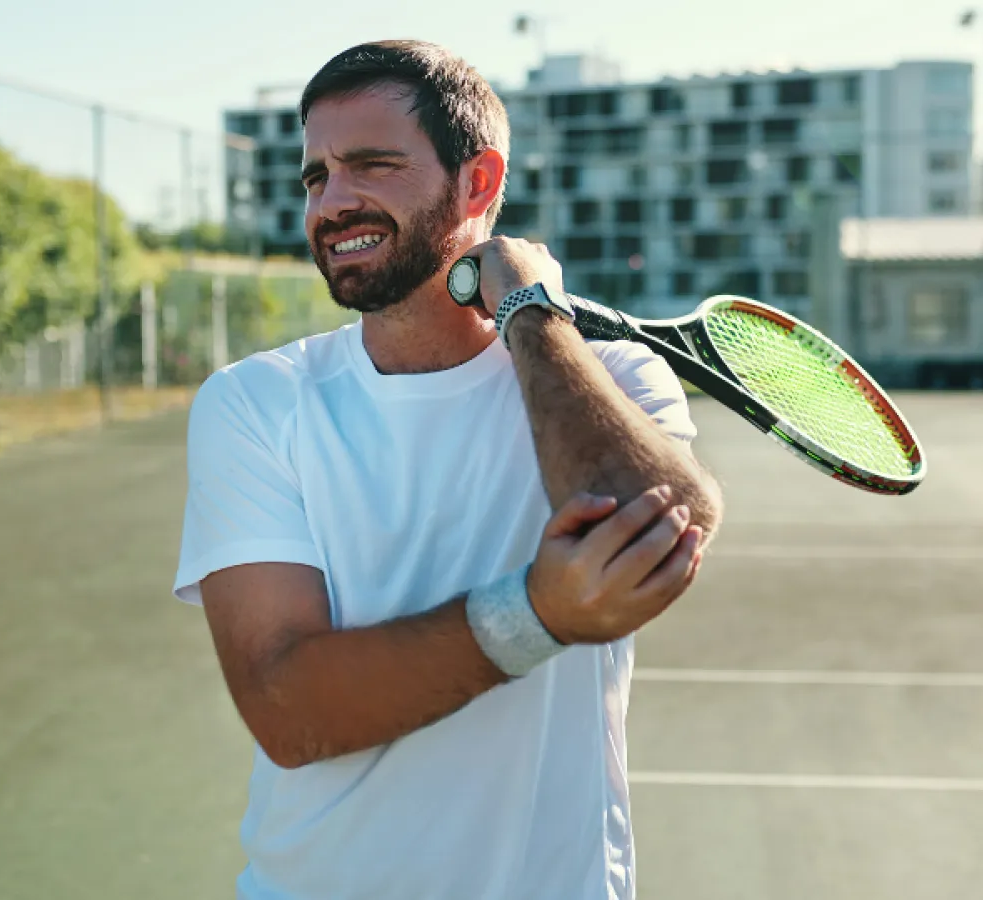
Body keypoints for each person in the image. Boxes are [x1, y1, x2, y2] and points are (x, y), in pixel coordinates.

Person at [172, 39, 724, 900]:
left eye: (373, 165)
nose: (332, 200)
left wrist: (532, 315)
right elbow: (288, 708)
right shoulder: (255, 402)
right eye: (316, 175)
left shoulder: (614, 377)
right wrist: (536, 613)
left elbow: (655, 535)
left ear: (477, 183)